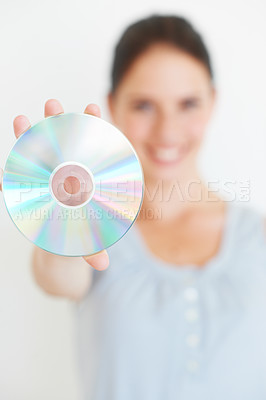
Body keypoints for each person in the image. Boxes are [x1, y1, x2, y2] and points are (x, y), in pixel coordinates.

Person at [1, 14, 266, 400]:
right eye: (144, 105)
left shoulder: (258, 233)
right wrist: (62, 211)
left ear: (213, 103)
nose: (168, 130)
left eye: (188, 103)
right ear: (112, 106)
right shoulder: (95, 230)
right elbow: (57, 277)